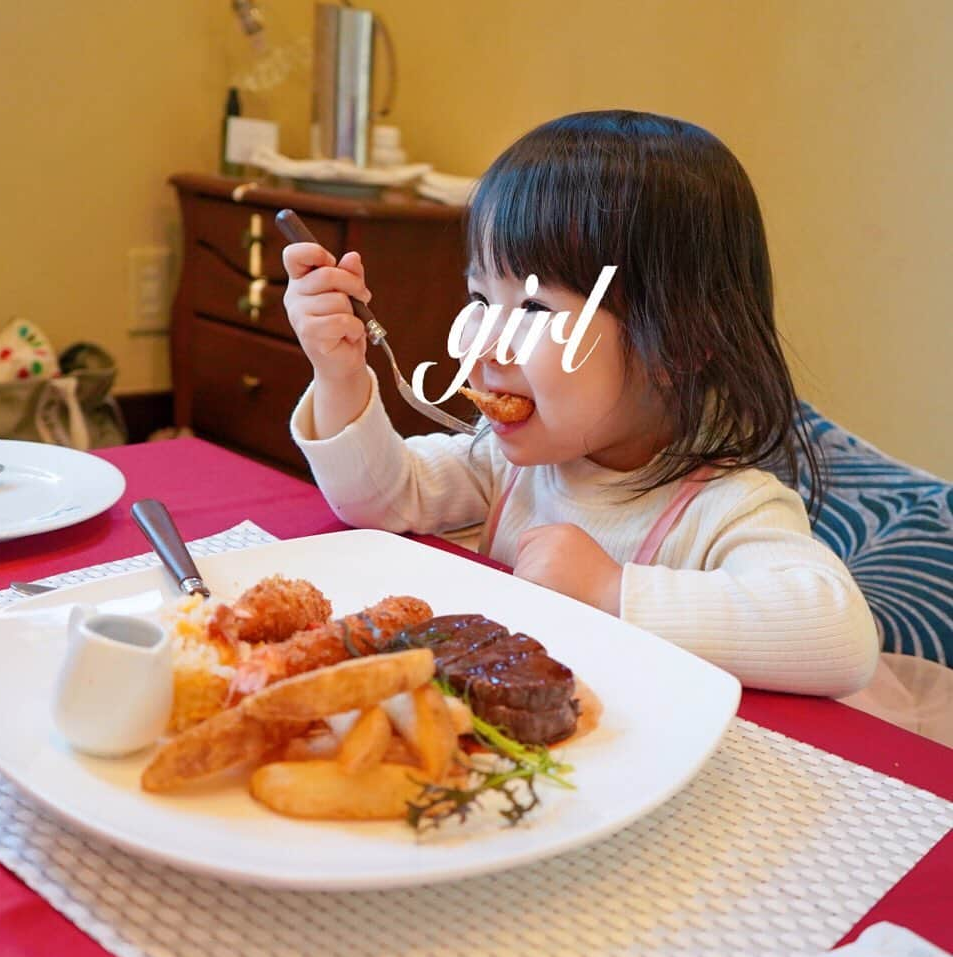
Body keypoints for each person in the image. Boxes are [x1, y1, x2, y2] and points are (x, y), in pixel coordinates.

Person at [282, 109, 879, 697]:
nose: (481, 342)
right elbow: (380, 498)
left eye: (536, 310)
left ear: (681, 342)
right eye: (480, 297)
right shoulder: (507, 464)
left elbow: (841, 638)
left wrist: (611, 590)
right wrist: (339, 376)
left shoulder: (725, 508)